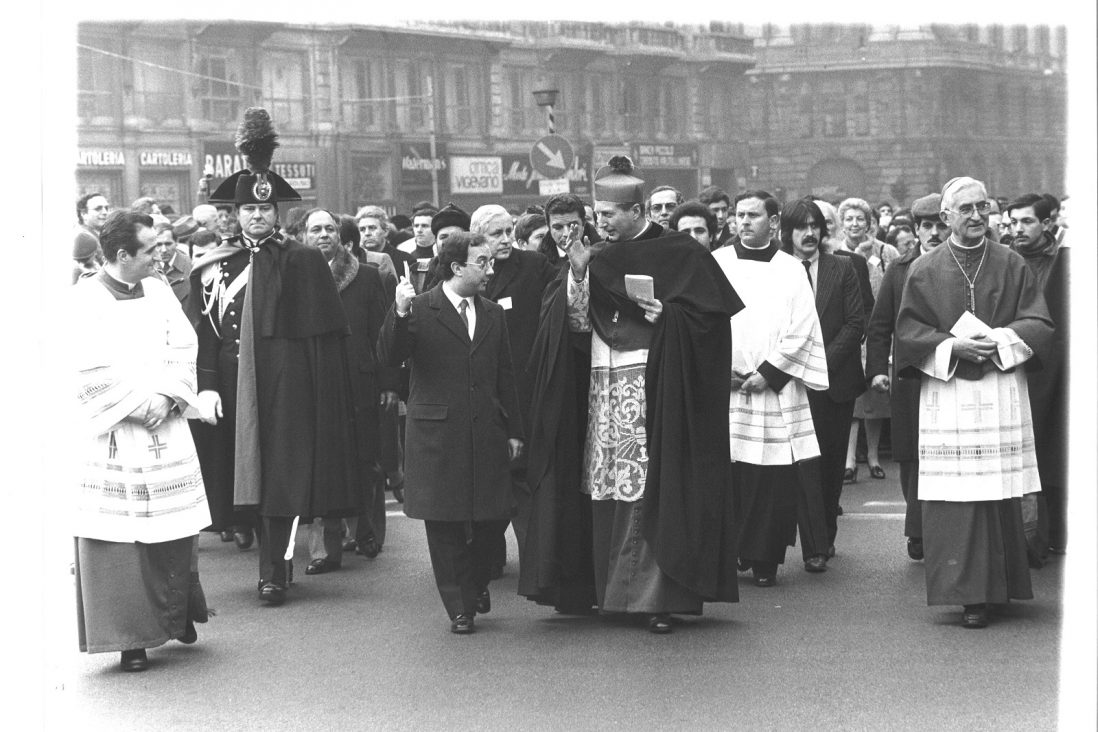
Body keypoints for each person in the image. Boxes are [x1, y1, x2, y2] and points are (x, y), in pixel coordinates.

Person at [522, 156, 744, 632]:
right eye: (597, 216)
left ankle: (653, 598)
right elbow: (579, 326)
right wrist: (578, 276)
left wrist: (669, 316)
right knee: (610, 487)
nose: (598, 225)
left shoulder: (681, 251)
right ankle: (611, 593)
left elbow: (710, 322)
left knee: (651, 488)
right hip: (603, 389)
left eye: (607, 216)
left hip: (656, 387)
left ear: (638, 210)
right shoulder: (597, 256)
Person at [190, 107, 363, 605]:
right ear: (235, 214)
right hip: (231, 382)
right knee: (241, 476)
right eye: (249, 211)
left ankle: (275, 570)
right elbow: (204, 334)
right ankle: (261, 555)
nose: (258, 216)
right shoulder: (215, 268)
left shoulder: (304, 261)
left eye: (266, 210)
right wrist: (206, 385)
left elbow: (325, 341)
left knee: (283, 481)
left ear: (278, 213)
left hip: (288, 385)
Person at [895, 176, 1054, 629]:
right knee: (959, 497)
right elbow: (907, 332)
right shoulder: (923, 269)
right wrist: (952, 347)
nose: (976, 216)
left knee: (997, 489)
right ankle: (968, 594)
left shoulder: (1012, 263)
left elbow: (1038, 322)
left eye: (982, 207)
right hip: (948, 395)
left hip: (999, 389)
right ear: (945, 217)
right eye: (965, 209)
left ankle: (999, 585)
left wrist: (1000, 340)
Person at [71, 209, 211, 672]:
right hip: (117, 433)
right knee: (123, 540)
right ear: (121, 255)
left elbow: (183, 344)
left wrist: (169, 397)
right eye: (149, 249)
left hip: (163, 425)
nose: (160, 255)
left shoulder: (157, 288)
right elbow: (83, 368)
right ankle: (132, 638)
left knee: (174, 531)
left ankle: (176, 615)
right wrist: (136, 404)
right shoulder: (83, 300)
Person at [378, 232, 524, 634]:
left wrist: (514, 430)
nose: (490, 270)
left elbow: (505, 373)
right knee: (444, 524)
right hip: (436, 435)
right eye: (483, 262)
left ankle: (475, 583)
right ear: (457, 267)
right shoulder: (420, 308)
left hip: (486, 432)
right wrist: (400, 311)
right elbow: (389, 356)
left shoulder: (493, 312)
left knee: (493, 518)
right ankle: (460, 606)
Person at [714, 192, 830, 586]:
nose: (743, 222)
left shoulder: (791, 269)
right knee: (730, 474)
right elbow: (706, 319)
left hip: (773, 387)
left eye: (752, 215)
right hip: (728, 384)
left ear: (774, 221)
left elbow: (803, 328)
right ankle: (732, 552)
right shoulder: (718, 263)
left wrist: (769, 371)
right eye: (738, 215)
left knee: (772, 478)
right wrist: (720, 367)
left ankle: (765, 559)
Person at [300, 208, 399, 573]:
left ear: (342, 238)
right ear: (304, 237)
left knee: (365, 459)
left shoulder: (368, 277)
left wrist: (389, 383)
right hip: (313, 384)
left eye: (329, 229)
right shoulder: (295, 278)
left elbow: (383, 333)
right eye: (315, 230)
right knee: (319, 465)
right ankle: (324, 550)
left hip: (360, 381)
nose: (323, 234)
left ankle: (366, 531)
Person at [470, 204, 558, 576]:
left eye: (508, 232)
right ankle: (488, 556)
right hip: (484, 390)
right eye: (496, 234)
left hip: (527, 385)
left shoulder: (534, 267)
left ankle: (536, 561)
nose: (505, 240)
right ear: (477, 238)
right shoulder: (469, 269)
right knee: (490, 478)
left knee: (526, 476)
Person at [865, 193, 950, 561]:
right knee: (912, 457)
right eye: (926, 226)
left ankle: (946, 527)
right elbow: (880, 324)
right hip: (910, 377)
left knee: (948, 453)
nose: (933, 232)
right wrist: (876, 373)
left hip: (952, 373)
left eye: (939, 225)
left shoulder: (963, 266)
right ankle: (916, 529)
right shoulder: (900, 269)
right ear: (915, 230)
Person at [783, 197, 866, 558]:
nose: (810, 233)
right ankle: (808, 543)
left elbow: (854, 324)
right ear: (787, 232)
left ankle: (823, 540)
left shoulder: (842, 268)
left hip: (833, 383)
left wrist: (817, 365)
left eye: (815, 226)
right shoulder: (777, 269)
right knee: (796, 468)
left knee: (830, 466)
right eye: (801, 226)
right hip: (787, 382)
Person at [1006, 193, 1069, 559]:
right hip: (1016, 365)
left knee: (1053, 451)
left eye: (1026, 222)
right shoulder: (1004, 260)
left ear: (1047, 223)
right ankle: (1026, 539)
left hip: (1057, 370)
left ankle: (1056, 531)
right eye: (1012, 222)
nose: (1017, 230)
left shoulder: (1063, 259)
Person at [152, 222, 192, 307]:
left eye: (168, 244)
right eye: (158, 244)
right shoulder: (148, 268)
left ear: (176, 242)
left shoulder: (190, 265)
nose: (163, 250)